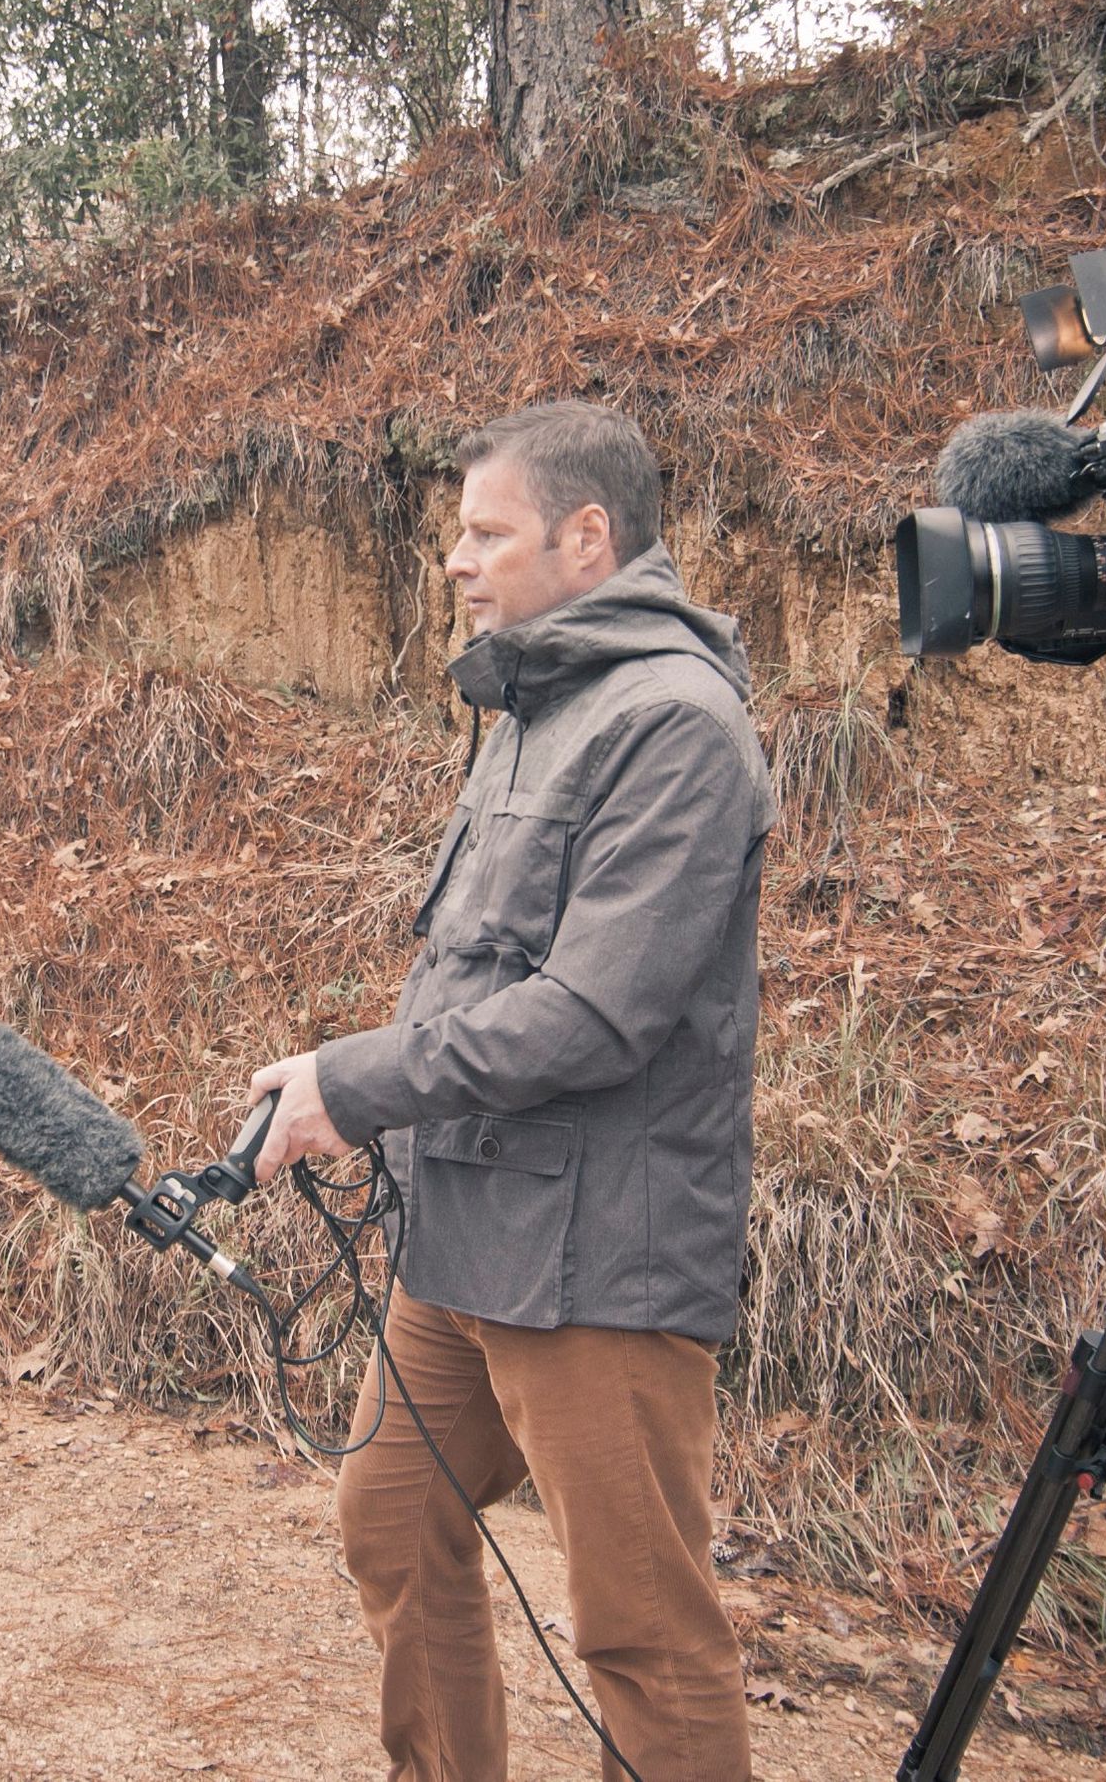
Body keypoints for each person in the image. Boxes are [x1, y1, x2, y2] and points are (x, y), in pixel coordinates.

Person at [249, 400, 775, 1781]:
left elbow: (590, 1014)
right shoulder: (531, 705)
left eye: (486, 532)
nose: (456, 561)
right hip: (467, 1232)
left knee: (642, 1633)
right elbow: (474, 979)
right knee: (391, 1516)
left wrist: (349, 1085)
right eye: (456, 535)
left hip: (602, 1256)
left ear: (585, 536)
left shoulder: (678, 725)